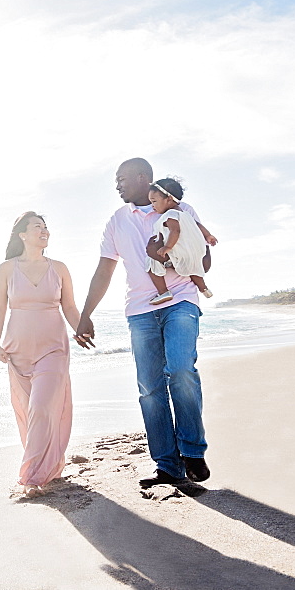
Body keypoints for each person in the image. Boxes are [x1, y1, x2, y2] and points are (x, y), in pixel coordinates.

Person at [74, 158, 212, 488]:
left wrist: (173, 258)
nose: (117, 185)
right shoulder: (117, 221)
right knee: (150, 389)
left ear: (142, 178)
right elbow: (104, 269)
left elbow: (204, 256)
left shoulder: (178, 209)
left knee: (180, 369)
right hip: (139, 311)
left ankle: (192, 451)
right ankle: (167, 466)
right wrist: (85, 314)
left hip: (180, 300)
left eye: (122, 178)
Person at [0, 211, 85, 497]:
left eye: (46, 228)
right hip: (18, 350)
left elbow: (68, 306)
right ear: (22, 235)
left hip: (53, 348)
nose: (44, 232)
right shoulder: (6, 269)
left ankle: (30, 476)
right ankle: (51, 465)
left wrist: (81, 328)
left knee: (44, 407)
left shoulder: (59, 268)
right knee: (29, 411)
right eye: (37, 228)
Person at [147, 177, 218, 305]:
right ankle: (204, 288)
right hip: (195, 252)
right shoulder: (185, 214)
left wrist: (167, 247)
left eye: (154, 201)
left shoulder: (170, 215)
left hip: (179, 252)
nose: (152, 206)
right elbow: (198, 225)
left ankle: (163, 292)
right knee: (193, 270)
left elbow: (175, 231)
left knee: (151, 263)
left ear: (169, 199)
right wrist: (208, 236)